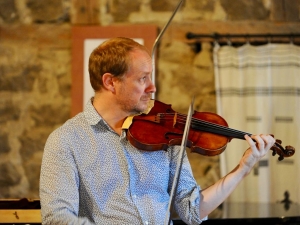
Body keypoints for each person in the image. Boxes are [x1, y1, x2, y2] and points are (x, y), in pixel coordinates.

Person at [39, 37, 275, 225]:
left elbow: (192, 211)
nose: (153, 87)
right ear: (110, 82)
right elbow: (57, 218)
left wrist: (243, 168)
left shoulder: (165, 133)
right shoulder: (66, 140)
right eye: (143, 78)